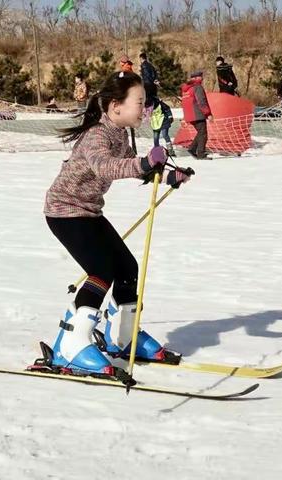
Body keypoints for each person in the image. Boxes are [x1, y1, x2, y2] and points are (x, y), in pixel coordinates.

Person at [43, 71, 192, 375]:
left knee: (127, 268)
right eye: (139, 102)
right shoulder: (98, 134)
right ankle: (69, 346)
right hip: (64, 211)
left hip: (88, 211)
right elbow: (106, 167)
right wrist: (146, 163)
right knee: (101, 270)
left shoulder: (119, 134)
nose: (145, 108)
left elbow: (134, 167)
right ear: (115, 107)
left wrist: (166, 175)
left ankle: (121, 337)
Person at [181, 71, 212, 160]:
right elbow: (201, 101)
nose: (202, 78)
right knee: (203, 134)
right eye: (200, 77)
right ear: (195, 78)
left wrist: (185, 117)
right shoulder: (197, 87)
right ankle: (201, 153)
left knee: (201, 132)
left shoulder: (186, 89)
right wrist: (208, 113)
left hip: (189, 115)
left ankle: (192, 149)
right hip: (197, 114)